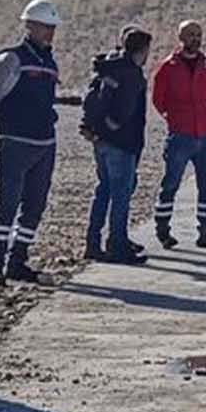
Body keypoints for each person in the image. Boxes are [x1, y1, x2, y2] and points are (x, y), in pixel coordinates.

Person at [0, 0, 64, 287]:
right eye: (44, 27)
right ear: (29, 25)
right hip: (15, 143)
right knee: (7, 205)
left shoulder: (49, 62)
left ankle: (18, 261)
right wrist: (3, 133)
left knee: (35, 206)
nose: (49, 33)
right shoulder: (10, 59)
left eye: (52, 27)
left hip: (44, 143)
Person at [150, 19, 206, 250]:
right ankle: (163, 229)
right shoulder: (168, 67)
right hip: (181, 135)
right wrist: (174, 117)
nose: (195, 38)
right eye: (190, 34)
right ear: (181, 38)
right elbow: (158, 99)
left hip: (205, 134)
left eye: (198, 34)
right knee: (171, 183)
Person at [79, 26, 154, 265]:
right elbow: (126, 110)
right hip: (121, 142)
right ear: (141, 51)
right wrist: (113, 128)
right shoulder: (131, 74)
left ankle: (94, 242)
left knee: (103, 190)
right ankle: (118, 244)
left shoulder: (108, 67)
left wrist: (99, 130)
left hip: (100, 140)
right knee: (121, 194)